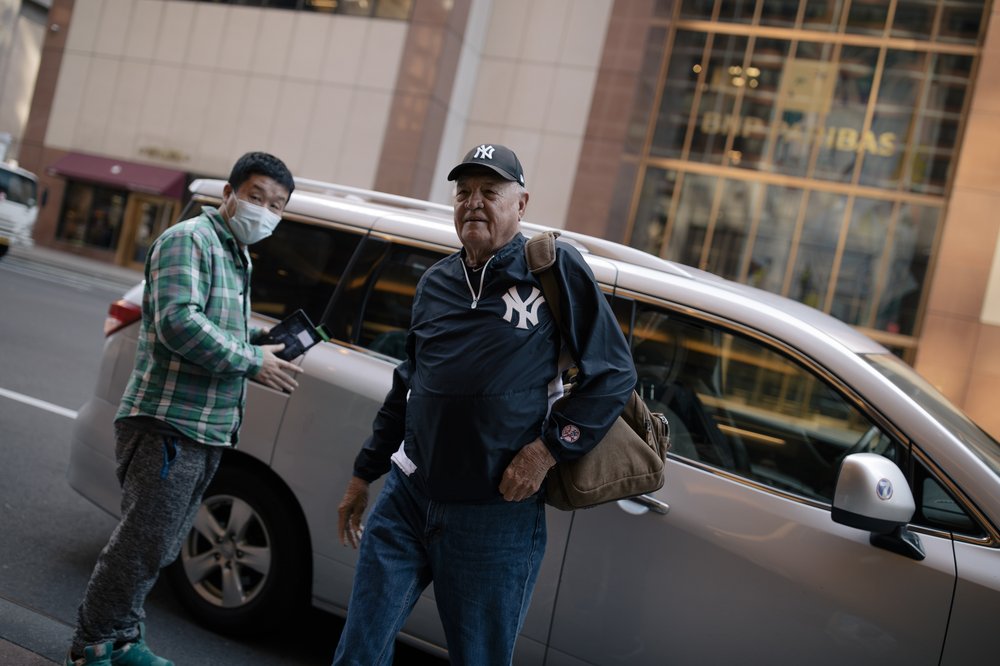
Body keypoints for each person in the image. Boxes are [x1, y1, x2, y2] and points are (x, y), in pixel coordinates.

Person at [333, 144, 636, 665]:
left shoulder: (555, 268)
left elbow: (613, 373)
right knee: (358, 649)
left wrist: (544, 452)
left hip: (495, 512)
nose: (473, 202)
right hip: (409, 494)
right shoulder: (435, 282)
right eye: (463, 192)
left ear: (521, 204)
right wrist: (364, 474)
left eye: (490, 192)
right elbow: (408, 385)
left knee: (480, 657)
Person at [66, 152, 303, 666]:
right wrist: (250, 360)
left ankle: (123, 639)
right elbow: (178, 324)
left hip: (204, 428)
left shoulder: (234, 252)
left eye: (277, 206)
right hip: (167, 422)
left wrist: (260, 341)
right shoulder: (189, 240)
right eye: (257, 197)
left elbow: (211, 325)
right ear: (229, 193)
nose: (265, 211)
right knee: (140, 543)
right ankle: (92, 646)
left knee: (160, 545)